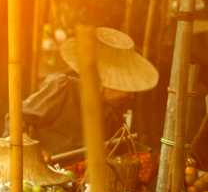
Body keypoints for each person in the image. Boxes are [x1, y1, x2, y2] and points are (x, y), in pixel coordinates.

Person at [16, 27, 159, 158]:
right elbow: (16, 118)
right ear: (104, 83)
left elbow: (119, 147)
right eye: (126, 88)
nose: (130, 95)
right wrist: (33, 150)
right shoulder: (63, 87)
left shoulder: (111, 112)